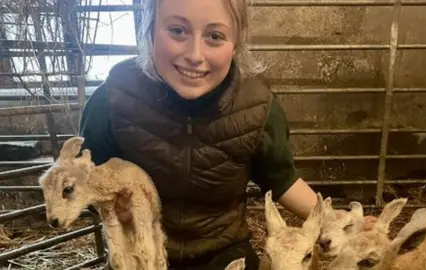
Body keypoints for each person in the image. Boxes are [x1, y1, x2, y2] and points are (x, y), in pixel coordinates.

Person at [79, 0, 376, 269]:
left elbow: (282, 179)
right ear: (149, 30)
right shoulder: (112, 101)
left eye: (215, 36)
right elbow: (86, 185)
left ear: (236, 42)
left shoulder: (257, 106)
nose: (194, 55)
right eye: (177, 30)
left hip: (223, 253)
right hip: (142, 254)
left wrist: (339, 223)